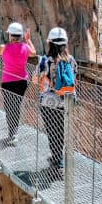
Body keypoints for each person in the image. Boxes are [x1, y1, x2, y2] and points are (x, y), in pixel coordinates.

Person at [0, 22, 37, 144]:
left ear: (10, 36)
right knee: (17, 105)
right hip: (22, 81)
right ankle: (14, 132)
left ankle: (12, 133)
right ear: (20, 36)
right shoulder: (25, 47)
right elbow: (34, 53)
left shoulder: (5, 47)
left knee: (9, 107)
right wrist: (28, 40)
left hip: (8, 81)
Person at [37, 27, 77, 174]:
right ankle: (58, 158)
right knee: (61, 130)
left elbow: (37, 79)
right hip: (65, 101)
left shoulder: (44, 60)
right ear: (65, 44)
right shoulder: (71, 60)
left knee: (52, 130)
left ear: (50, 43)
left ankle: (58, 160)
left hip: (48, 101)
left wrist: (49, 82)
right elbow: (74, 79)